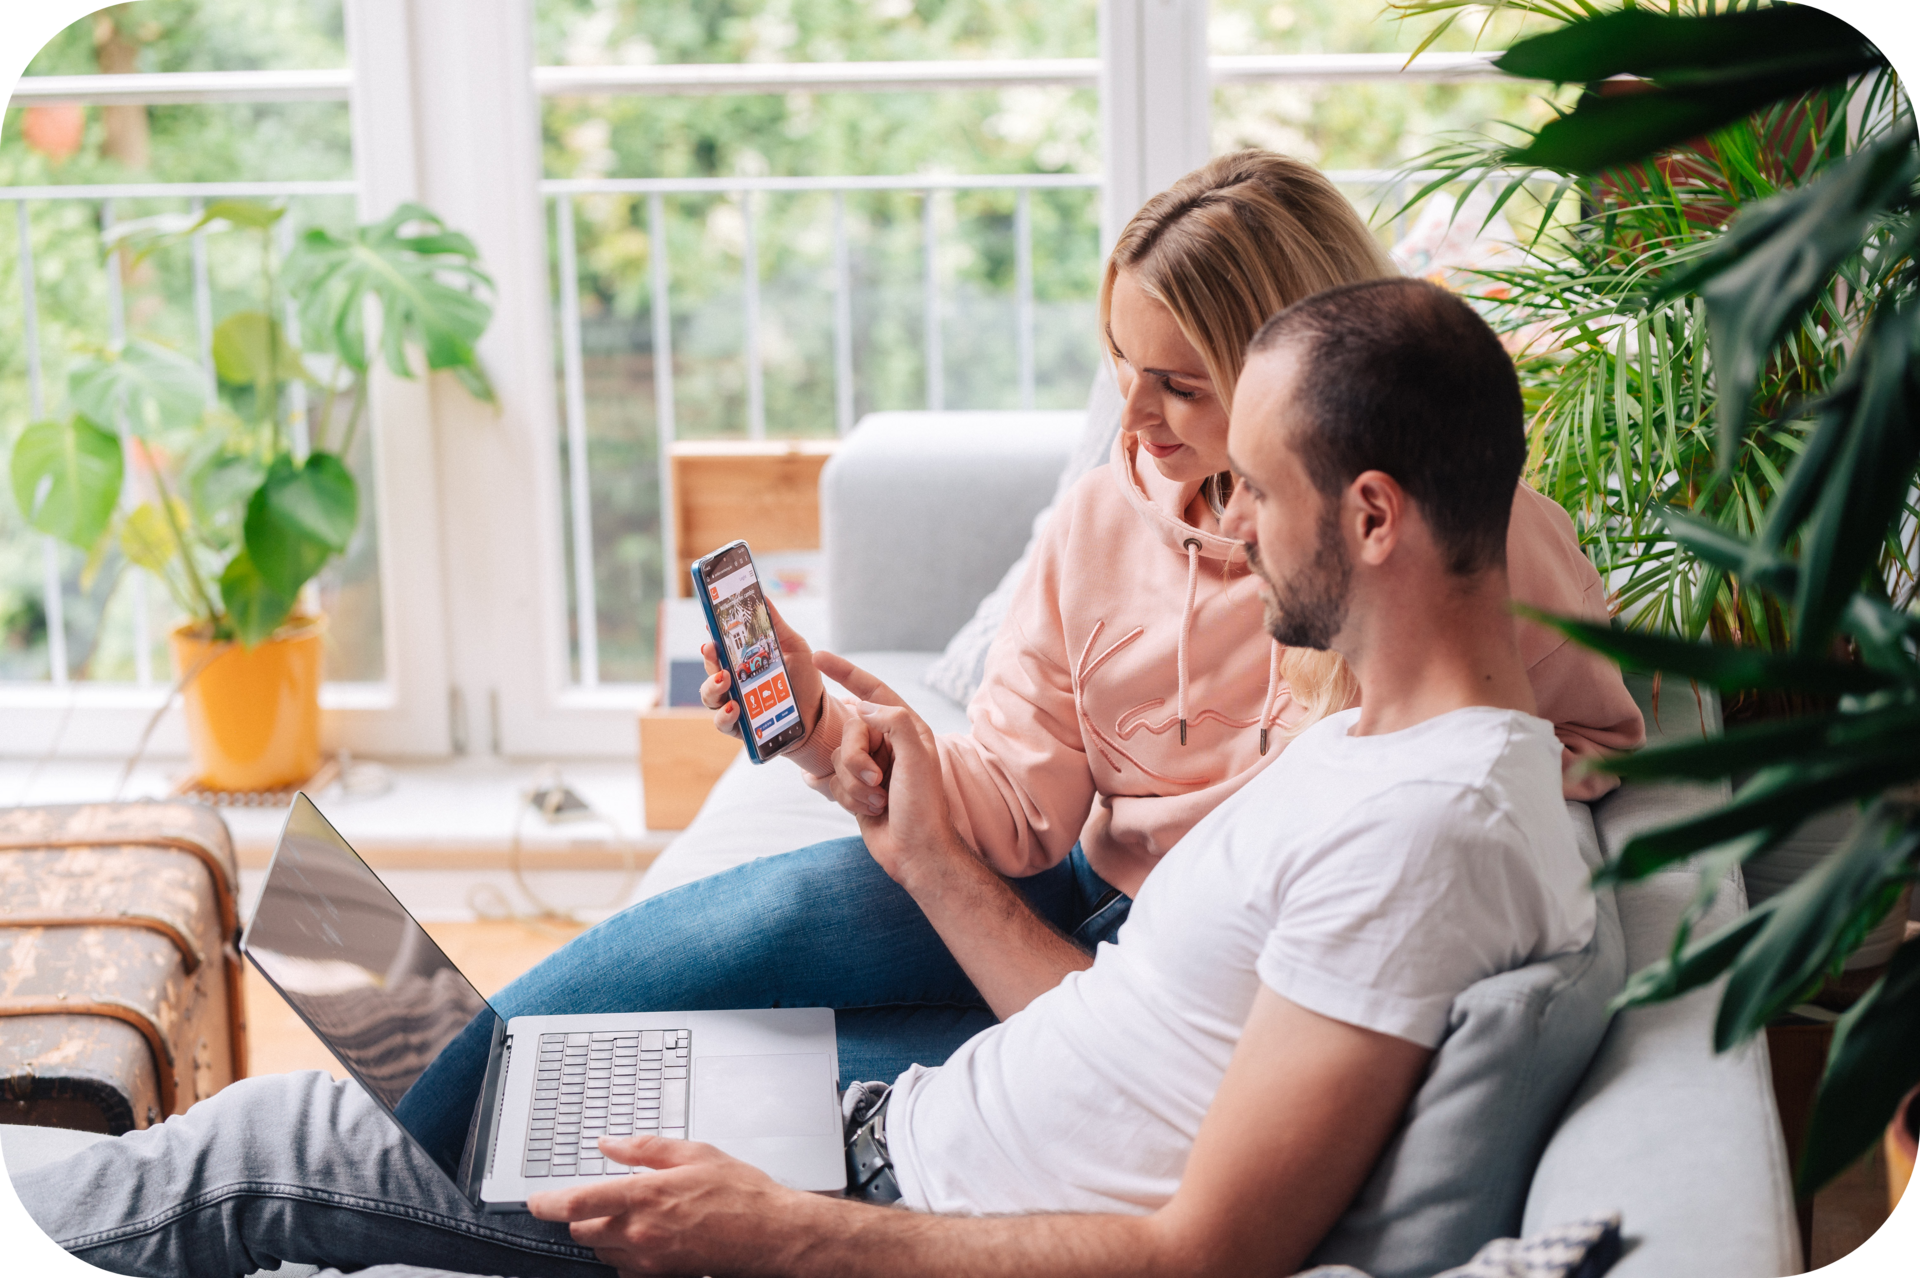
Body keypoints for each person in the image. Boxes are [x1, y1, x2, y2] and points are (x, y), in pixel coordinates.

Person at [18, 276, 1600, 1278]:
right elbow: (1120, 1040)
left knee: (280, 1146)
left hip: (859, 1206)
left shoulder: (1430, 828)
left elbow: (1207, 1248)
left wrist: (780, 1233)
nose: (1226, 524)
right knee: (430, 1067)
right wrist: (922, 858)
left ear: (1377, 515)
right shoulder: (1377, 750)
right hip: (874, 1138)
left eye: (1256, 490)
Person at [429, 151, 1644, 1088]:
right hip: (1080, 893)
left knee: (769, 1082)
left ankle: (402, 1173)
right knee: (729, 943)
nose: (1138, 418)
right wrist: (817, 729)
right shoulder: (1098, 524)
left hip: (1215, 972)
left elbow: (1590, 739)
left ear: (1295, 365)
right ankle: (407, 1104)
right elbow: (1014, 813)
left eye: (1182, 383)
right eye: (1122, 365)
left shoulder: (1456, 538)